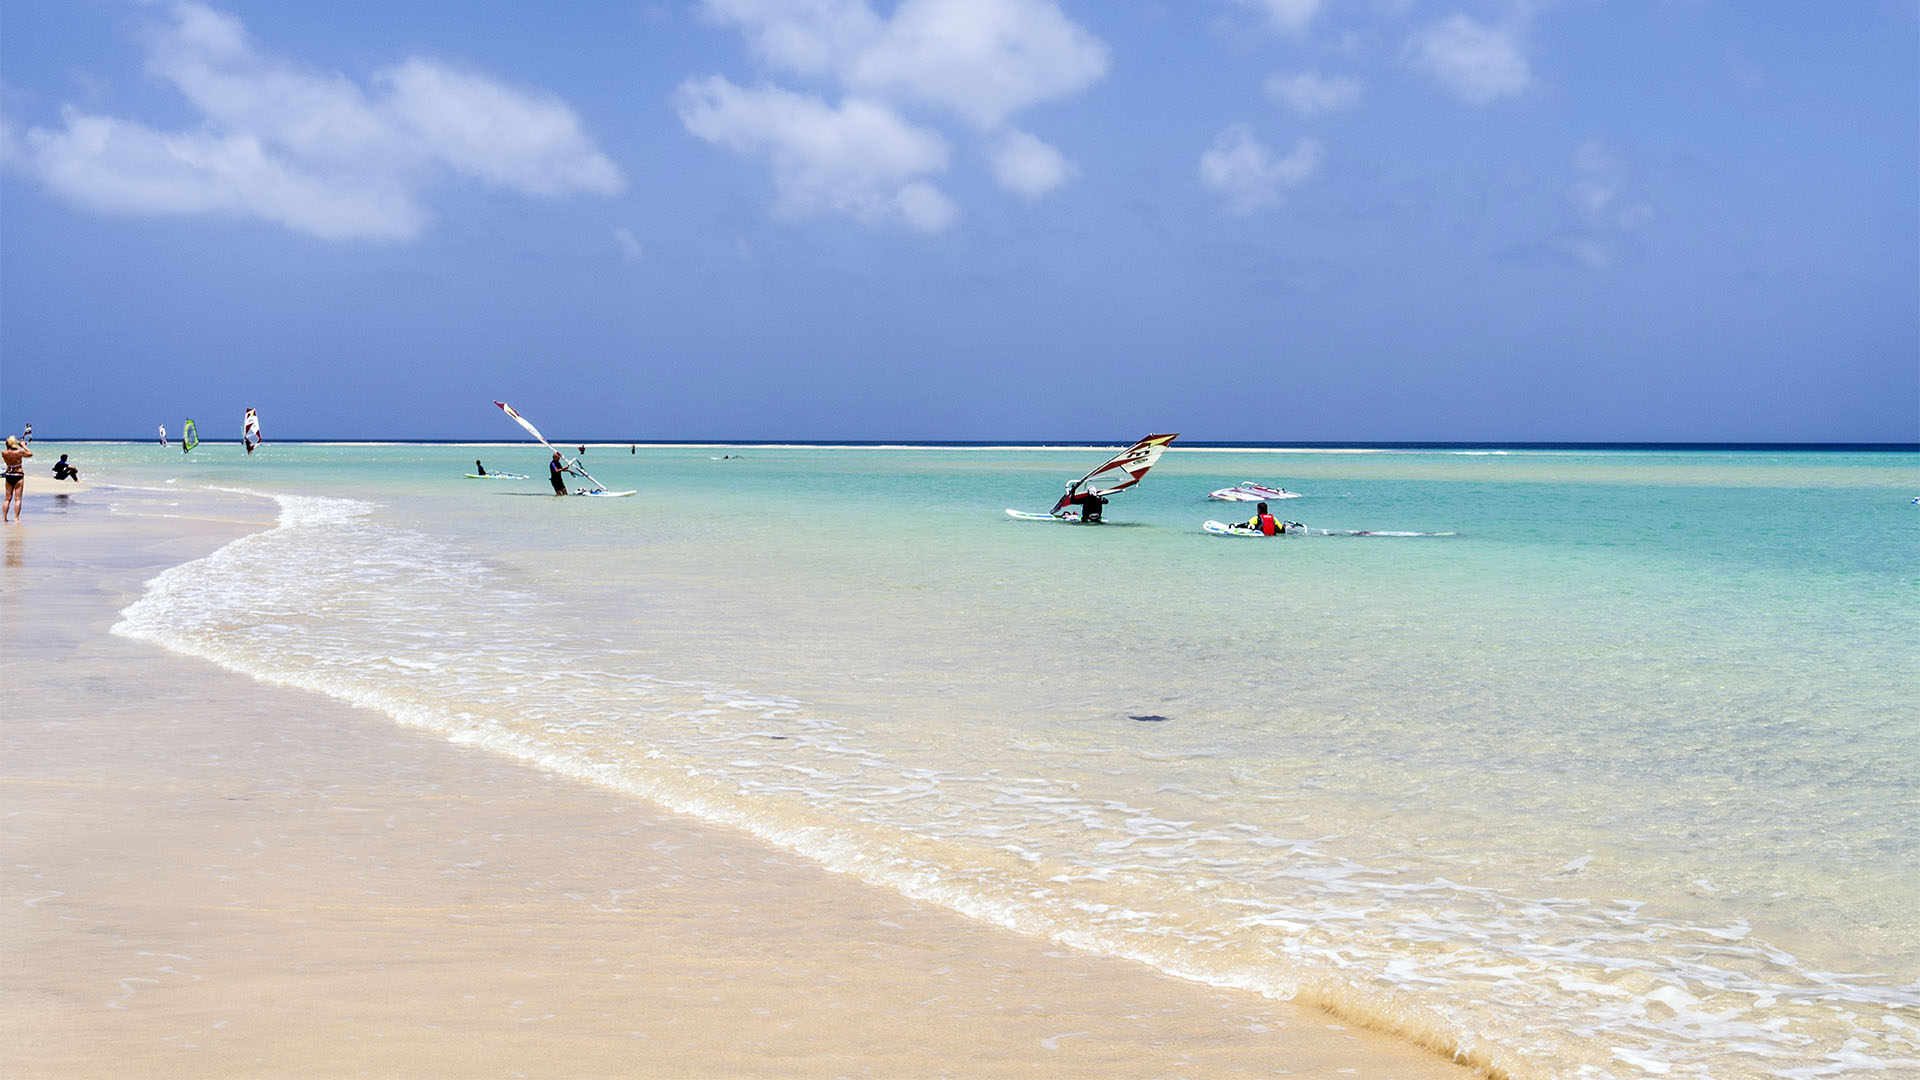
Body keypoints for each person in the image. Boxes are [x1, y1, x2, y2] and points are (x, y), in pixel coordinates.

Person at [2, 435, 30, 521]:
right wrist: (24, 446)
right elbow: (30, 454)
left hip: (9, 475)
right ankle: (16, 518)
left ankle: (4, 518)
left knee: (7, 498)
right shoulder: (19, 452)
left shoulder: (4, 452)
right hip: (18, 475)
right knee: (17, 499)